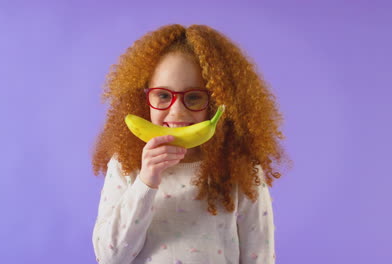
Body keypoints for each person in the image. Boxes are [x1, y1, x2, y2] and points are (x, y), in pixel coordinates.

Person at [91, 24, 291, 264]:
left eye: (194, 97)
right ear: (144, 99)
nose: (176, 112)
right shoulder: (126, 166)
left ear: (217, 103)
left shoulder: (242, 171)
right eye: (163, 95)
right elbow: (109, 257)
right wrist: (146, 183)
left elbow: (259, 257)